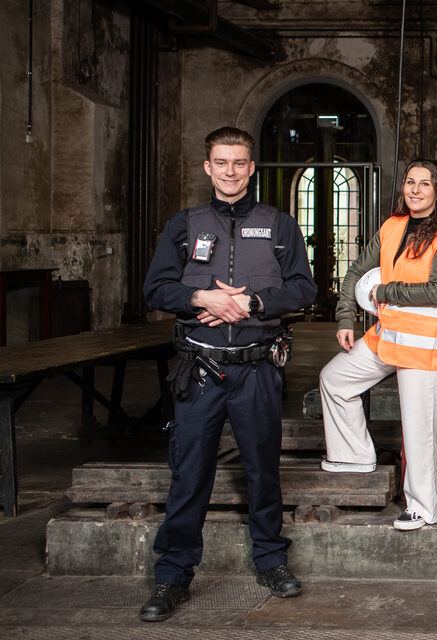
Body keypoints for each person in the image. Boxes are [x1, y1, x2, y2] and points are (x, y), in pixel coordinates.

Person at [139, 127, 317, 622]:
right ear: (208, 168)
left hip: (258, 368)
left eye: (240, 162)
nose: (231, 171)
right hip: (200, 368)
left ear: (252, 167)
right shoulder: (185, 224)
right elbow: (155, 289)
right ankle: (172, 576)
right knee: (190, 474)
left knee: (263, 471)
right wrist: (204, 299)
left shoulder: (279, 225)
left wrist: (252, 302)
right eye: (222, 162)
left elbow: (305, 288)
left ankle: (272, 561)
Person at [318, 159, 437, 531]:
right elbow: (356, 272)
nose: (415, 190)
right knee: (335, 379)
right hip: (388, 334)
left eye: (424, 184)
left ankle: (422, 507)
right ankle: (354, 455)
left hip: (424, 343)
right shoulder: (391, 227)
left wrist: (383, 291)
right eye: (409, 182)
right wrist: (345, 315)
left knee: (419, 427)